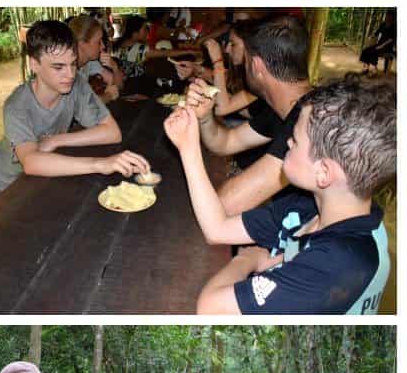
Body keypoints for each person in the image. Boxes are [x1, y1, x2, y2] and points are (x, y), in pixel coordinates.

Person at [163, 73, 394, 314]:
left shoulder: (338, 264)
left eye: (294, 140)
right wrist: (188, 149)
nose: (287, 144)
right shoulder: (307, 208)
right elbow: (217, 228)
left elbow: (211, 308)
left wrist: (246, 259)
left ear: (323, 172)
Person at [0, 19, 150, 232]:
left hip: (34, 183)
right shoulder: (17, 105)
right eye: (58, 67)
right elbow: (31, 161)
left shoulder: (76, 86)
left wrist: (57, 139)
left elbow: (112, 132)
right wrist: (101, 163)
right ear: (34, 64)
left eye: (73, 64)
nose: (70, 74)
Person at [183, 15, 312, 217]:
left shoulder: (306, 123)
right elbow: (225, 142)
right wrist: (205, 116)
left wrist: (186, 145)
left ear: (257, 66)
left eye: (247, 58)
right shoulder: (284, 109)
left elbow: (224, 205)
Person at [68, 14, 122, 102]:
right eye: (98, 42)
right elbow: (76, 107)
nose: (103, 46)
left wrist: (115, 67)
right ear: (82, 44)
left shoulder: (90, 62)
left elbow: (118, 86)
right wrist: (108, 96)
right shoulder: (67, 70)